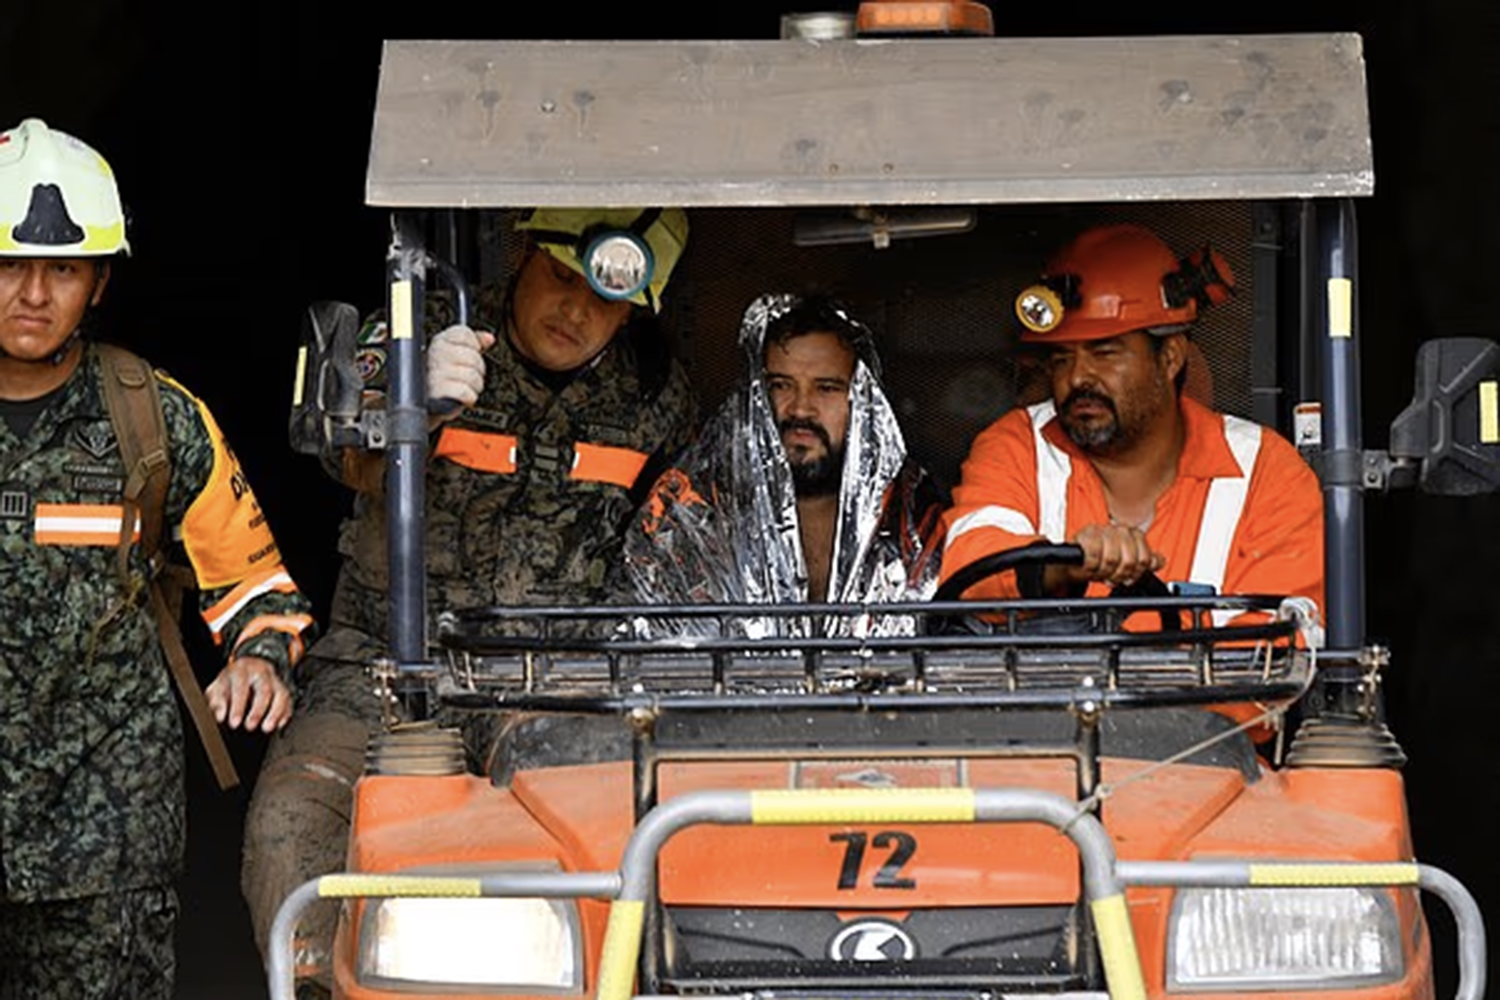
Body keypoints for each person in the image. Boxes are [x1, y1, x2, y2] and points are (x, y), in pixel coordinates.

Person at [240, 207, 697, 993]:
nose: (577, 311)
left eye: (608, 299)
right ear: (522, 255)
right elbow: (340, 454)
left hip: (559, 683)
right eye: (560, 277)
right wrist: (412, 402)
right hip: (386, 665)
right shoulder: (422, 332)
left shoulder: (658, 393)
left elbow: (679, 541)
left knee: (618, 848)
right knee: (291, 821)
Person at [0, 118, 315, 999]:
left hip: (105, 843)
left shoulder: (153, 416)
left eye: (64, 269)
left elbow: (259, 587)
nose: (33, 294)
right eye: (9, 265)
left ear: (100, 281)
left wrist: (260, 657)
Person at [940, 222, 1323, 632]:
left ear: (1170, 357)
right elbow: (969, 566)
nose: (1077, 377)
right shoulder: (1017, 445)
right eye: (1062, 358)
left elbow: (1287, 637)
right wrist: (1062, 567)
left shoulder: (1264, 470)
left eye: (1105, 353)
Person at [619, 292, 946, 637]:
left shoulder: (913, 519)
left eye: (826, 388)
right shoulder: (692, 514)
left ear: (864, 402)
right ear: (755, 395)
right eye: (780, 385)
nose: (801, 408)